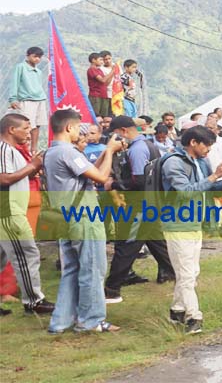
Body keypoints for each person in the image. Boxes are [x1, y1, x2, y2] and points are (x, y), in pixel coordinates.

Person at [46, 109, 126, 333]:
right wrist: (110, 151)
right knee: (92, 268)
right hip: (83, 216)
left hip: (66, 215)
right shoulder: (67, 152)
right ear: (69, 127)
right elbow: (101, 177)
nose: (81, 134)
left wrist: (106, 152)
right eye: (78, 129)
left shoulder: (53, 152)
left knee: (72, 270)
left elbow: (90, 171)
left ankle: (61, 322)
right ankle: (91, 321)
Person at [161, 125, 222, 334]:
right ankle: (194, 317)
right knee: (186, 274)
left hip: (194, 222)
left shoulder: (201, 161)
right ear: (193, 142)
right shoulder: (173, 162)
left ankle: (177, 310)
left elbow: (210, 189)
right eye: (207, 145)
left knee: (191, 271)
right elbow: (185, 192)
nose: (209, 150)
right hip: (177, 223)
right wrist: (213, 177)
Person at [104, 116, 175, 303]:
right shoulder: (148, 145)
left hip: (140, 204)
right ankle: (173, 273)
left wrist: (114, 184)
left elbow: (139, 181)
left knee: (127, 245)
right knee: (156, 241)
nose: (114, 139)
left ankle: (112, 289)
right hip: (151, 203)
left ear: (123, 131)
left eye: (115, 135)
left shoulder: (136, 150)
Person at [0, 112, 54, 315]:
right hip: (8, 211)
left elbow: (17, 176)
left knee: (2, 258)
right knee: (26, 253)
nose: (29, 133)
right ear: (11, 129)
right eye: (25, 128)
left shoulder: (12, 150)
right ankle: (33, 301)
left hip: (12, 209)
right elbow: (4, 178)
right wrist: (32, 166)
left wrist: (33, 168)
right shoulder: (3, 148)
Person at [7, 47, 47, 153]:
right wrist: (13, 99)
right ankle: (24, 148)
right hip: (27, 100)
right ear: (28, 55)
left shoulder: (38, 71)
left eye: (39, 57)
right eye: (35, 56)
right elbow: (14, 83)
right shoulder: (20, 67)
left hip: (40, 99)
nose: (37, 59)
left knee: (37, 124)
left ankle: (33, 149)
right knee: (27, 124)